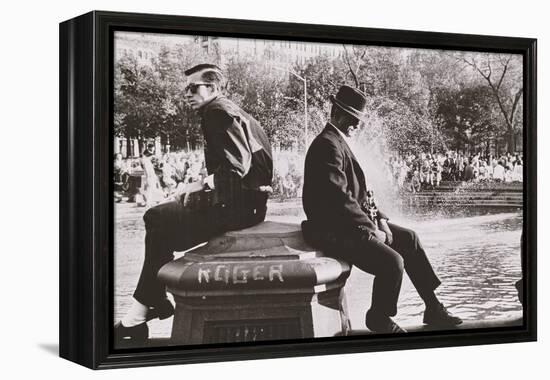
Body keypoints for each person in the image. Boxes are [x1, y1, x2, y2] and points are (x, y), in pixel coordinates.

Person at [115, 63, 274, 344]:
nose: (186, 93)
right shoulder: (234, 110)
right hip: (249, 204)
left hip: (237, 208)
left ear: (212, 88)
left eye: (193, 88)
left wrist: (197, 185)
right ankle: (146, 307)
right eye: (185, 88)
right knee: (162, 221)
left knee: (155, 218)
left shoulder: (216, 112)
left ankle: (145, 308)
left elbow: (236, 167)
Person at [301, 85, 462, 333]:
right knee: (392, 263)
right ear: (338, 114)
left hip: (349, 224)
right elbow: (338, 199)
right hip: (335, 230)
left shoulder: (337, 142)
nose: (358, 125)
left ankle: (432, 306)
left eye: (359, 121)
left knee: (409, 239)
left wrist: (381, 220)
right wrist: (370, 229)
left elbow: (361, 194)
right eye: (354, 120)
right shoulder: (327, 145)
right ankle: (379, 316)